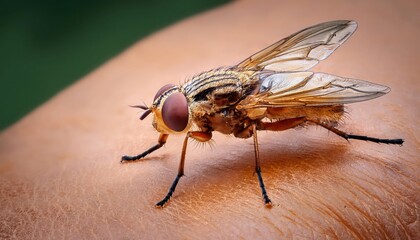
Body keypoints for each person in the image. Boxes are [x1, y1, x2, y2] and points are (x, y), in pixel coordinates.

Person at [0, 0, 418, 238]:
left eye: (170, 113)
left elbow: (251, 128)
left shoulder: (226, 113)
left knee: (297, 111)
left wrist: (260, 177)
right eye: (168, 108)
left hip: (270, 101)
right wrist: (159, 137)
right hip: (255, 78)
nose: (166, 116)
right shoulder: (194, 110)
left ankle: (354, 140)